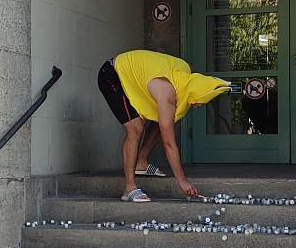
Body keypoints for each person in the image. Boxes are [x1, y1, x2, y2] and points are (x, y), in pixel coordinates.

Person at [96, 49, 230, 202]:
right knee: (135, 129)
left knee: (165, 120)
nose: (198, 105)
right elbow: (169, 145)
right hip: (113, 75)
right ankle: (129, 187)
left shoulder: (184, 73)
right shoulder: (167, 95)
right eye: (197, 101)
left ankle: (141, 161)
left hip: (138, 78)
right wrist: (182, 181)